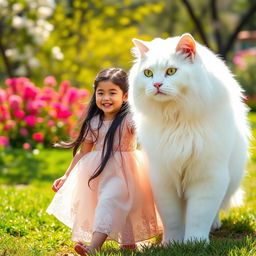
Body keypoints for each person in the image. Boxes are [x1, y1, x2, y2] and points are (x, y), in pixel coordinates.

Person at [46, 68, 162, 255]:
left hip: (126, 171)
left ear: (125, 96)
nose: (105, 98)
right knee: (111, 204)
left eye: (112, 93)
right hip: (98, 172)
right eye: (101, 93)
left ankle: (94, 247)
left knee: (111, 201)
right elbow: (83, 152)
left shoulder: (130, 119)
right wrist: (66, 176)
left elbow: (147, 137)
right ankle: (127, 243)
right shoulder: (93, 122)